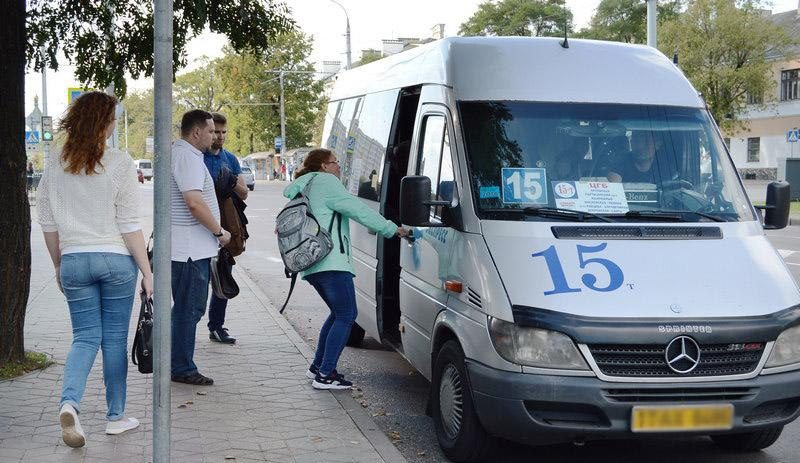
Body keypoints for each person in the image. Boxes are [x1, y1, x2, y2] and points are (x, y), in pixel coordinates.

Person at [37, 91, 153, 448]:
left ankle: (70, 402)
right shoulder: (119, 162)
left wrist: (60, 264)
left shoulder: (55, 161)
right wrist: (148, 274)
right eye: (113, 118)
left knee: (84, 337)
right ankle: (116, 417)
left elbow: (47, 221)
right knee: (113, 341)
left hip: (74, 259)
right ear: (104, 124)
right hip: (115, 260)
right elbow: (130, 224)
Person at [283, 149, 408, 390]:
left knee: (337, 313)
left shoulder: (306, 184)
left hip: (312, 261)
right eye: (335, 162)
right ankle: (325, 375)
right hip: (331, 261)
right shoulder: (326, 182)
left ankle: (317, 367)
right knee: (347, 315)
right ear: (323, 166)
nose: (339, 166)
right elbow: (356, 209)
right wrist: (392, 229)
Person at [171, 110, 231, 386]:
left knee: (187, 308)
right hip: (189, 251)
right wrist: (218, 232)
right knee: (189, 309)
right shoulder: (188, 157)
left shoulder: (184, 155)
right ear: (196, 132)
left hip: (188, 248)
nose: (213, 136)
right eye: (210, 131)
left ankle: (177, 362)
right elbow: (194, 203)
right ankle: (181, 367)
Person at [203, 112, 248, 344]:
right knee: (199, 282)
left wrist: (231, 181)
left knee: (223, 276)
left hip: (226, 226)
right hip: (200, 226)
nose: (219, 137)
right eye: (215, 132)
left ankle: (217, 326)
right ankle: (184, 327)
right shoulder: (197, 157)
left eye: (223, 132)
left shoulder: (230, 158)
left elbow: (244, 192)